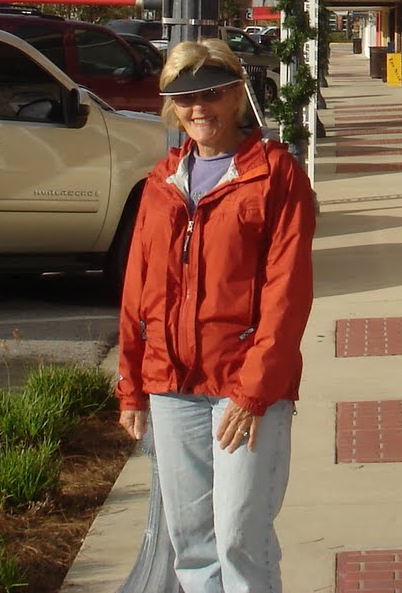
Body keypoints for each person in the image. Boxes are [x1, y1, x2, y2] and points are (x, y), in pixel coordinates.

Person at [117, 38, 317, 593]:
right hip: (172, 386)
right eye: (185, 98)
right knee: (193, 547)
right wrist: (132, 386)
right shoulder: (161, 183)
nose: (198, 108)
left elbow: (288, 291)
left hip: (243, 387)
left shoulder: (275, 174)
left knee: (239, 539)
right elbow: (137, 291)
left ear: (234, 95)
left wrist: (255, 391)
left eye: (210, 94)